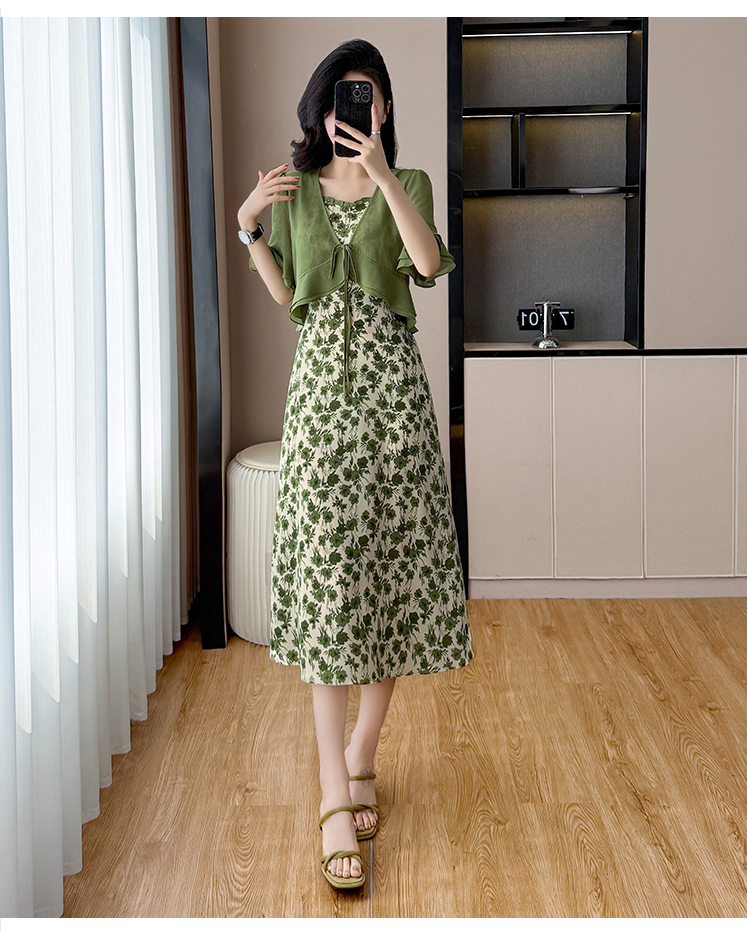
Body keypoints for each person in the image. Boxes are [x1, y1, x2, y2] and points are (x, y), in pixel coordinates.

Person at [237, 38, 473, 891]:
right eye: (344, 94)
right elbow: (285, 296)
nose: (357, 107)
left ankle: (364, 751)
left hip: (395, 412)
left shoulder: (410, 185)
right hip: (320, 415)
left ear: (385, 109)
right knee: (334, 592)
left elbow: (426, 264)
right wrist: (248, 227)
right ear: (321, 106)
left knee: (391, 584)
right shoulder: (296, 194)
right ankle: (334, 788)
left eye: (369, 94)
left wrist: (379, 176)